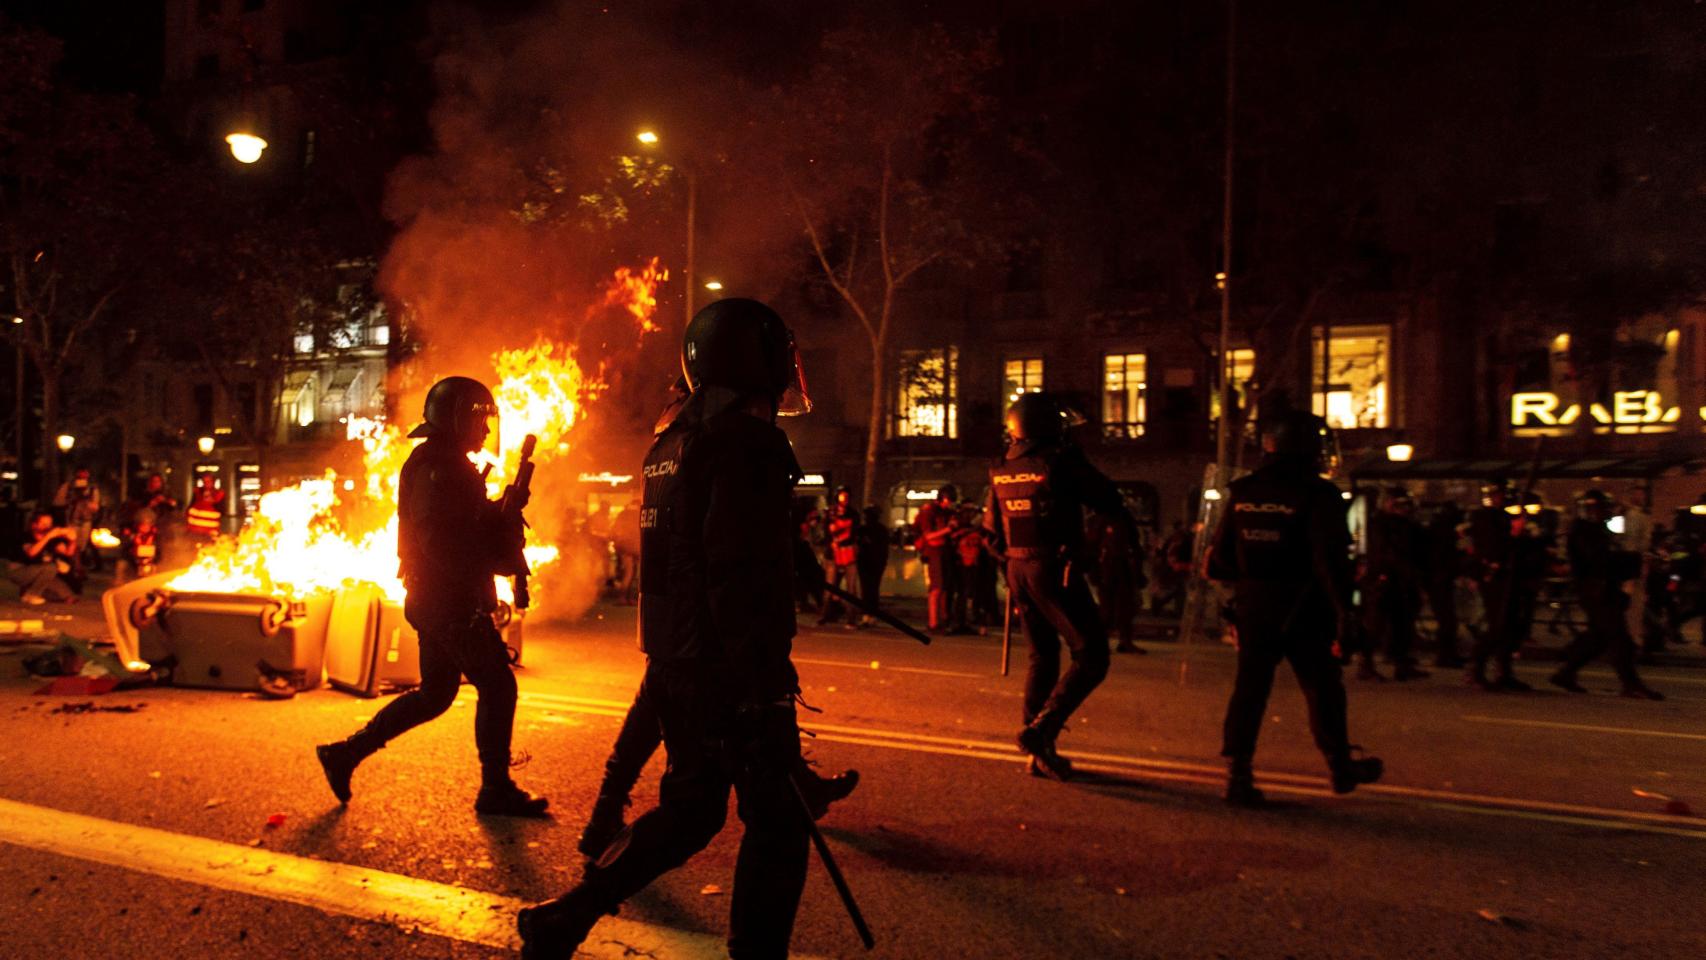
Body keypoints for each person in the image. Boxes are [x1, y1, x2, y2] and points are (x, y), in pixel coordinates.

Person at [520, 298, 836, 959]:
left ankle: (566, 918)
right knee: (778, 822)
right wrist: (762, 689)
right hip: (727, 668)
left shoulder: (672, 442)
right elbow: (733, 570)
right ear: (760, 361)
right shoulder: (746, 443)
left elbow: (698, 551)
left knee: (693, 811)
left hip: (675, 662)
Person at [575, 379, 857, 862]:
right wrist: (750, 652)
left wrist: (795, 559)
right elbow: (729, 549)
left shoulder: (674, 436)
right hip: (708, 638)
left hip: (674, 627)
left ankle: (603, 818)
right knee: (699, 804)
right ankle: (577, 901)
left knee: (651, 722)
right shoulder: (727, 440)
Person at [315, 376, 548, 818]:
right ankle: (495, 788)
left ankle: (344, 754)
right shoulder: (439, 467)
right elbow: (440, 539)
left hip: (439, 599)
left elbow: (462, 525)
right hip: (449, 602)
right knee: (498, 686)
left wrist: (503, 508)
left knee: (436, 695)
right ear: (456, 417)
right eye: (479, 420)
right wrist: (480, 578)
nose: (484, 430)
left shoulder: (445, 462)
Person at [1205, 410, 1382, 806]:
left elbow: (1218, 561)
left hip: (1254, 606)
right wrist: (1345, 613)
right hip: (1305, 605)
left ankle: (1237, 774)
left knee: (1250, 691)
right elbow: (1329, 561)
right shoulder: (1318, 494)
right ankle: (1340, 767)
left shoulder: (1244, 492)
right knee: (1322, 689)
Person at [983, 392, 1135, 781]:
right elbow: (1108, 497)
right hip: (1052, 568)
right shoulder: (1060, 461)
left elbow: (991, 533)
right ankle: (1041, 731)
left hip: (1018, 568)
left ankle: (1040, 754)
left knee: (1042, 657)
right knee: (1092, 655)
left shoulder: (1000, 467)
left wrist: (1014, 565)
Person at [1550, 491, 1663, 699]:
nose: (1602, 512)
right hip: (1596, 591)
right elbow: (1600, 562)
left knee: (1598, 636)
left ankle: (1566, 672)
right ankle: (1631, 683)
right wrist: (1634, 560)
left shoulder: (1599, 530)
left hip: (1604, 589)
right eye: (1597, 508)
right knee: (1620, 638)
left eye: (1603, 508)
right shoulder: (1584, 531)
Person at [1465, 482, 1536, 692]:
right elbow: (1493, 545)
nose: (1501, 498)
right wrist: (1512, 536)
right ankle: (1475, 669)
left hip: (1510, 577)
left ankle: (1504, 671)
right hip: (1494, 578)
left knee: (1511, 626)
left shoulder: (1506, 516)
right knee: (1498, 624)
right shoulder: (1485, 517)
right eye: (1497, 494)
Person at [1359, 487, 1429, 681]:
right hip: (1384, 579)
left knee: (1403, 624)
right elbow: (1387, 553)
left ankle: (1402, 663)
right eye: (1399, 505)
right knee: (1376, 624)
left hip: (1402, 581)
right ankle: (1366, 663)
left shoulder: (1408, 526)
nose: (1403, 509)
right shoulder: (1380, 524)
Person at [1422, 499, 1466, 667]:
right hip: (1439, 581)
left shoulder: (1436, 532)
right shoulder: (1444, 535)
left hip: (1438, 580)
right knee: (1447, 620)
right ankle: (1445, 654)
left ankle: (1447, 653)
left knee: (1447, 620)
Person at [1095, 513, 1146, 653]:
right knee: (1107, 608)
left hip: (1121, 568)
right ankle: (1103, 642)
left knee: (1124, 607)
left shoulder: (1123, 519)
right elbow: (1093, 544)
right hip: (1107, 568)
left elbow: (1134, 544)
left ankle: (1124, 640)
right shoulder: (1101, 520)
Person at [7, 510, 81, 604]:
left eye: (49, 523)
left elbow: (68, 553)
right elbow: (32, 552)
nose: (48, 526)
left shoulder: (52, 539)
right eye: (44, 523)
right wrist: (48, 536)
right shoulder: (25, 536)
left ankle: (27, 591)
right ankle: (31, 595)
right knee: (51, 568)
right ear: (34, 525)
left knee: (68, 595)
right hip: (19, 571)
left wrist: (72, 540)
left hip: (41, 572)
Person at [915, 485, 959, 632]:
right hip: (934, 552)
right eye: (949, 500)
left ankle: (943, 620)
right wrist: (948, 529)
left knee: (945, 587)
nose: (950, 503)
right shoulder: (929, 511)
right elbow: (928, 536)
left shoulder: (947, 512)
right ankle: (933, 622)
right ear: (943, 498)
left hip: (946, 552)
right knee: (937, 588)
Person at [816, 486, 860, 626]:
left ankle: (851, 619)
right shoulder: (830, 513)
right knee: (829, 587)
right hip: (833, 554)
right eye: (842, 496)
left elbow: (854, 534)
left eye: (847, 496)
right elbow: (825, 533)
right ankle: (824, 615)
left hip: (848, 553)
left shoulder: (853, 514)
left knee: (851, 588)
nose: (844, 499)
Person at [854, 506, 890, 626]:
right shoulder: (880, 529)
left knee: (868, 589)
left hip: (868, 562)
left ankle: (868, 615)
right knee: (872, 589)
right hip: (873, 563)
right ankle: (870, 615)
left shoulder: (865, 529)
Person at [185, 474, 225, 541]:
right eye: (204, 481)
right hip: (194, 530)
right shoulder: (197, 492)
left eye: (209, 481)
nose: (206, 483)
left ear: (213, 482)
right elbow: (190, 506)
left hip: (210, 531)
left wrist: (213, 502)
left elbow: (222, 511)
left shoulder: (219, 494)